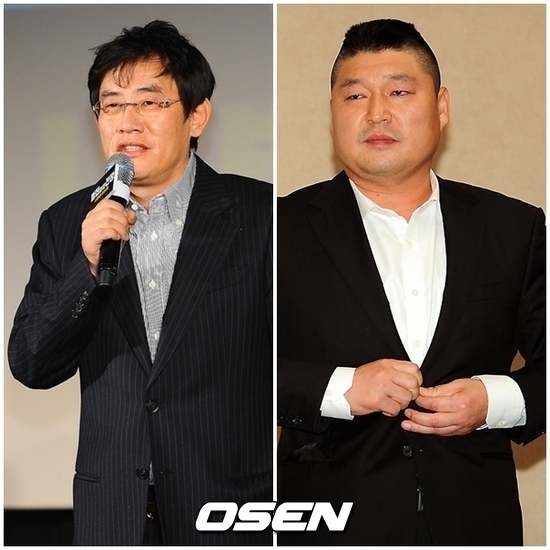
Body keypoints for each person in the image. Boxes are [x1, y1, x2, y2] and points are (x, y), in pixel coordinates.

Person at [277, 19, 545, 546]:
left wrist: (493, 399)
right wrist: (339, 388)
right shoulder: (276, 229)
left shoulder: (514, 227)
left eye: (399, 92)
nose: (377, 112)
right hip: (330, 523)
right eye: (355, 95)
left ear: (441, 106)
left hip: (476, 523)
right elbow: (224, 367)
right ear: (333, 113)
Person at [9, 20, 272, 546]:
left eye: (150, 103)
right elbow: (32, 363)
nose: (128, 122)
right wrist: (86, 268)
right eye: (111, 106)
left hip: (228, 508)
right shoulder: (66, 222)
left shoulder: (261, 214)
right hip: (114, 516)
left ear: (197, 115)